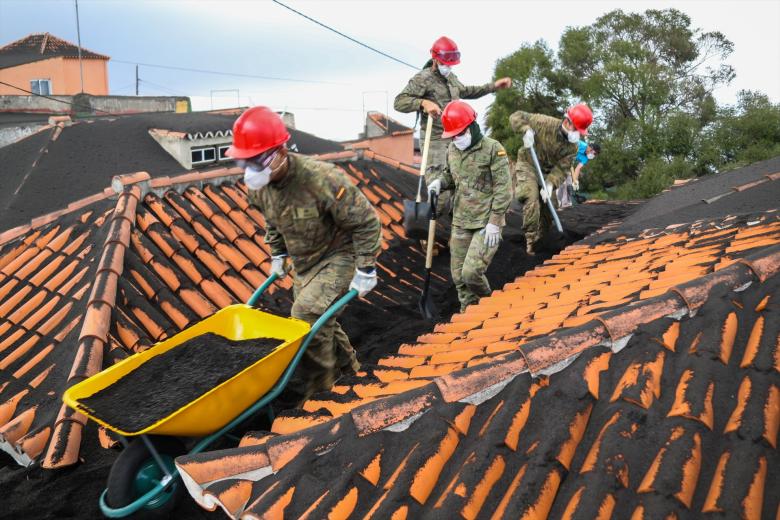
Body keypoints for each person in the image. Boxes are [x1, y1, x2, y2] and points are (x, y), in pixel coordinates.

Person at [227, 106, 382, 404]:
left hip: (341, 255)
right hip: (305, 263)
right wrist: (277, 253)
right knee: (323, 323)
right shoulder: (258, 188)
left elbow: (366, 222)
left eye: (257, 160)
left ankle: (320, 394)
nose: (251, 170)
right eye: (244, 161)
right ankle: (354, 375)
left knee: (305, 315)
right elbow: (271, 220)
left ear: (281, 151)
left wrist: (366, 268)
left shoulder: (322, 179)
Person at [394, 36, 512, 249]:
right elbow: (399, 102)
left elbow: (467, 92)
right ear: (435, 59)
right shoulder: (422, 79)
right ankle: (425, 237)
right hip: (436, 141)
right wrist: (423, 102)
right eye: (445, 63)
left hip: (456, 140)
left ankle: (457, 238)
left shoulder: (451, 78)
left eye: (451, 63)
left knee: (461, 188)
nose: (448, 67)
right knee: (438, 193)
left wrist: (493, 87)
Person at [426, 101, 512, 312]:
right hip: (461, 221)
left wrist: (495, 222)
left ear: (471, 126)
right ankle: (469, 314)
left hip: (486, 222)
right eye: (452, 135)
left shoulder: (493, 149)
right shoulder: (453, 150)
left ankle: (490, 306)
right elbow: (450, 175)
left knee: (471, 272)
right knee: (458, 277)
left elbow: (504, 189)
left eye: (459, 133)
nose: (456, 139)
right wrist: (440, 182)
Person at [510, 104, 593, 253]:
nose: (578, 135)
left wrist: (550, 184)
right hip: (528, 165)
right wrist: (526, 130)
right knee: (531, 197)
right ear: (567, 122)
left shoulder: (572, 148)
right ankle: (530, 241)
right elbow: (516, 116)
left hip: (548, 172)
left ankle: (542, 240)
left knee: (550, 206)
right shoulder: (543, 122)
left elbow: (562, 168)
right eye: (577, 130)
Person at [558, 141, 600, 207]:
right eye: (594, 153)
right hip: (561, 155)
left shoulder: (585, 158)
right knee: (565, 181)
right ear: (590, 148)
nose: (593, 155)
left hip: (568, 162)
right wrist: (573, 179)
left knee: (569, 183)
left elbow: (578, 168)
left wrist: (576, 181)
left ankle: (566, 204)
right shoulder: (579, 144)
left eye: (595, 155)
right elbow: (570, 162)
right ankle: (562, 202)